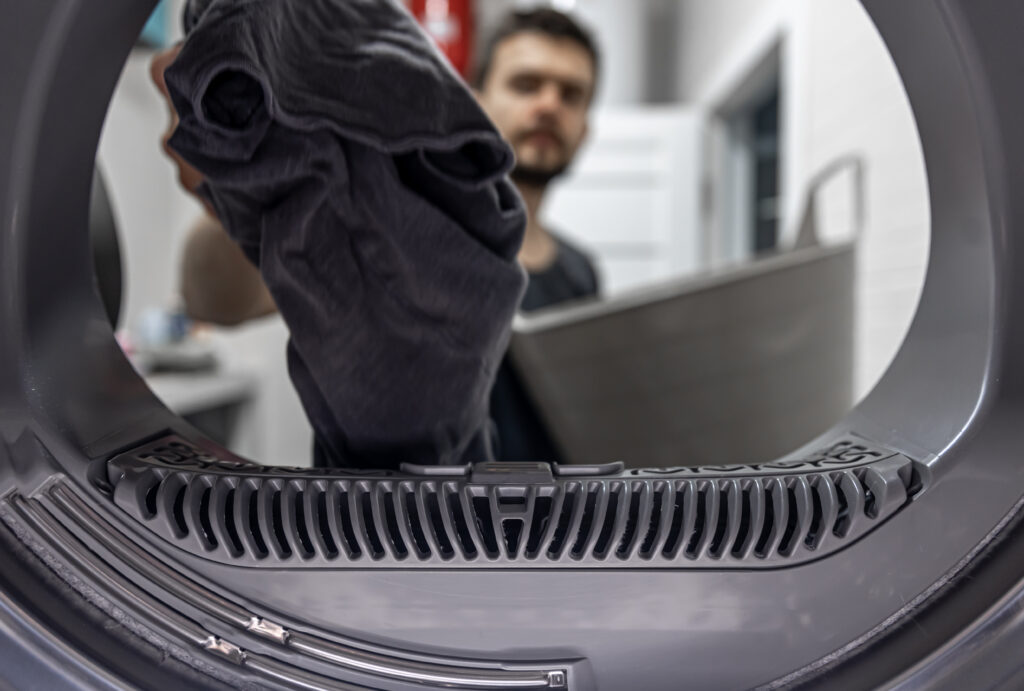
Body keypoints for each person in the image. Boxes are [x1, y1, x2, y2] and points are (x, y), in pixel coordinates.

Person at [472, 8, 602, 463]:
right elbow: (235, 304)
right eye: (525, 85)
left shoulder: (581, 272)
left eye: (572, 94)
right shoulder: (406, 243)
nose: (549, 105)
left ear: (585, 127)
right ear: (477, 103)